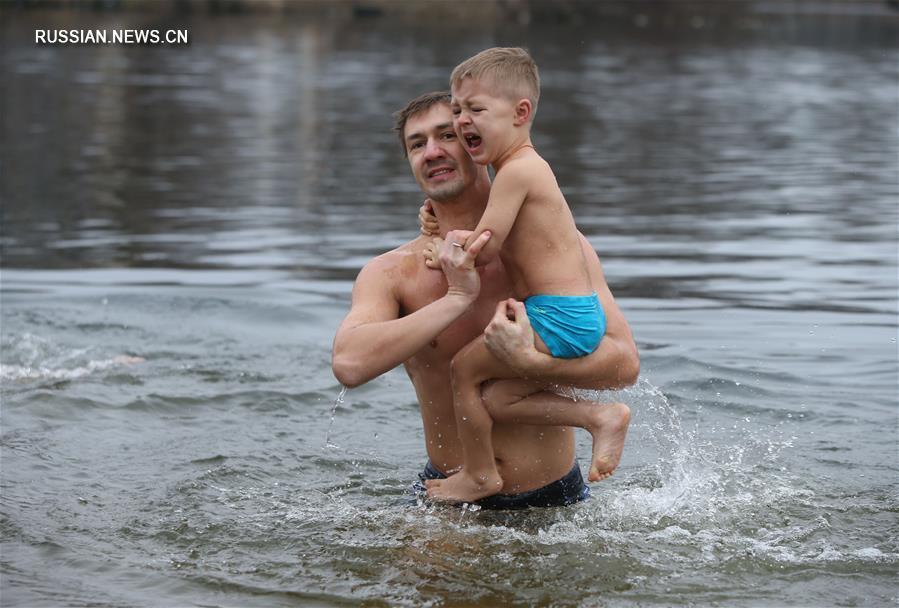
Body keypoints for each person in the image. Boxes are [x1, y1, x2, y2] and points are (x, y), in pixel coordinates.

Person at [331, 91, 638, 510]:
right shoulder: (392, 273)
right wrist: (457, 297)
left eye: (447, 136)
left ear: (477, 143)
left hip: (558, 500)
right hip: (449, 497)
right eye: (417, 144)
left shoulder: (555, 249)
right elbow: (349, 365)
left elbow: (624, 365)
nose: (432, 152)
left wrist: (532, 364)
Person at [421, 48, 629, 503]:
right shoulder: (524, 171)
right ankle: (600, 416)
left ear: (520, 113)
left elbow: (485, 248)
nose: (462, 120)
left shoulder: (517, 172)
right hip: (570, 313)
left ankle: (479, 475)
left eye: (476, 109)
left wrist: (444, 248)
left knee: (463, 371)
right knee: (497, 398)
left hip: (558, 314)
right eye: (457, 109)